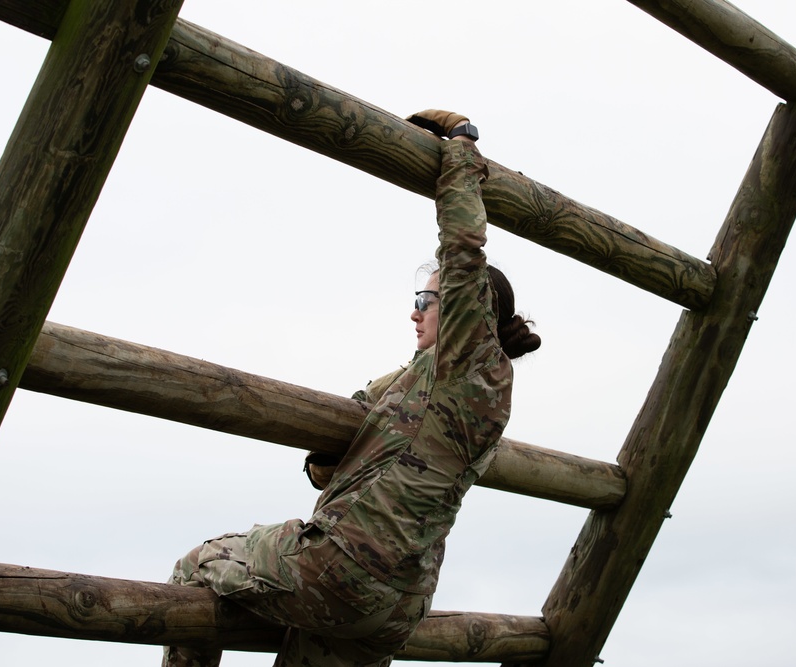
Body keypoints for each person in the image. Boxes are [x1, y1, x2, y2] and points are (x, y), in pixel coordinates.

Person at [162, 110, 541, 667]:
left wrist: (460, 149)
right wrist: (329, 459)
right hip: (399, 604)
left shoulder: (471, 359)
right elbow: (368, 434)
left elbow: (462, 246)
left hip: (340, 568)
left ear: (466, 310)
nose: (415, 313)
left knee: (195, 567)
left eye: (425, 301)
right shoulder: (443, 382)